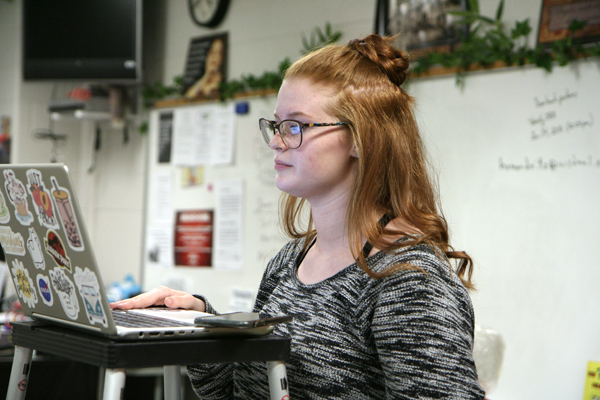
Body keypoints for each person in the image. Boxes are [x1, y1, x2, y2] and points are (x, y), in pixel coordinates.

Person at [111, 33, 485, 399]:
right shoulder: (289, 262)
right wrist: (199, 323)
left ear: (361, 139)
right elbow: (232, 391)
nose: (276, 140)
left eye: (296, 126)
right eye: (277, 125)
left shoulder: (407, 280)